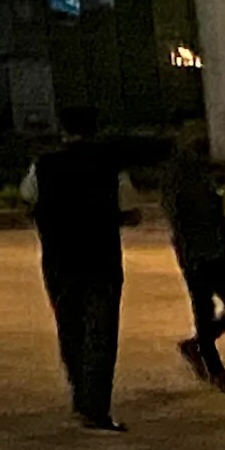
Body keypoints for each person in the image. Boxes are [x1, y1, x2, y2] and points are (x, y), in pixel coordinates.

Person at [27, 106, 173, 430]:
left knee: (70, 326)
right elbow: (129, 208)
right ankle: (96, 406)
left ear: (63, 129)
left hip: (59, 258)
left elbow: (28, 197)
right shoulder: (109, 165)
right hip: (100, 257)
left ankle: (80, 394)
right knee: (101, 331)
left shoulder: (45, 165)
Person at [163, 123, 225, 397]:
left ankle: (195, 346)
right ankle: (216, 369)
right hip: (196, 252)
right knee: (204, 309)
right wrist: (189, 255)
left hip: (218, 249)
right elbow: (178, 218)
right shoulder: (177, 177)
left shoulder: (205, 172)